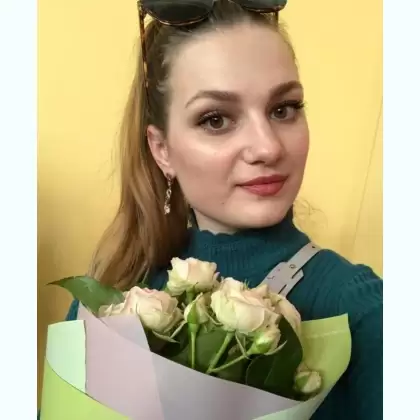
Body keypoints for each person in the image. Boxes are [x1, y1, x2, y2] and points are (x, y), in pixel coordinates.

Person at [63, 1, 383, 419]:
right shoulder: (113, 286)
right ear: (162, 150)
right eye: (216, 120)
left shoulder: (362, 311)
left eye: (283, 109)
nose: (268, 147)